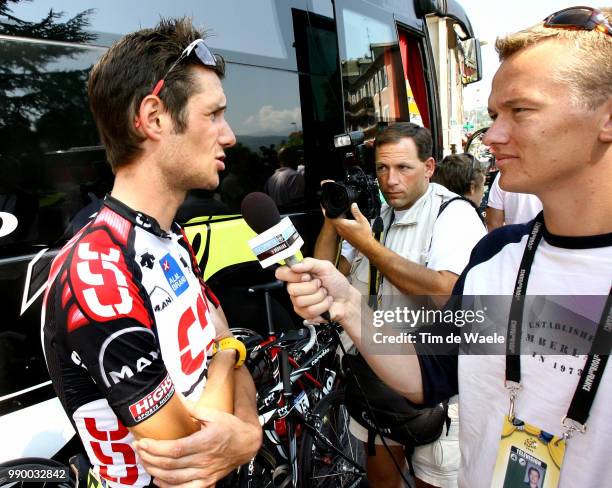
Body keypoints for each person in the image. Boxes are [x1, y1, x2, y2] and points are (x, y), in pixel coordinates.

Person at [277, 6, 612, 487]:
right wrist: (348, 302)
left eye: (520, 110)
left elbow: (435, 295)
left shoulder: (456, 219)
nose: (493, 136)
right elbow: (428, 373)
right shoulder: (499, 256)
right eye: (495, 114)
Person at [41, 18, 262, 487]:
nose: (229, 137)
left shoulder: (169, 236)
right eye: (213, 114)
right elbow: (191, 462)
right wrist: (228, 361)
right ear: (154, 117)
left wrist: (247, 430)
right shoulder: (95, 268)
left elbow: (223, 336)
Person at [314, 122, 486, 488]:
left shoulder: (452, 215)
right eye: (382, 168)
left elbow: (446, 292)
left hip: (433, 389)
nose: (390, 180)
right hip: (376, 381)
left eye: (403, 168)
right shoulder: (377, 216)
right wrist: (333, 220)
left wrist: (369, 246)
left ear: (429, 167)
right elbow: (328, 277)